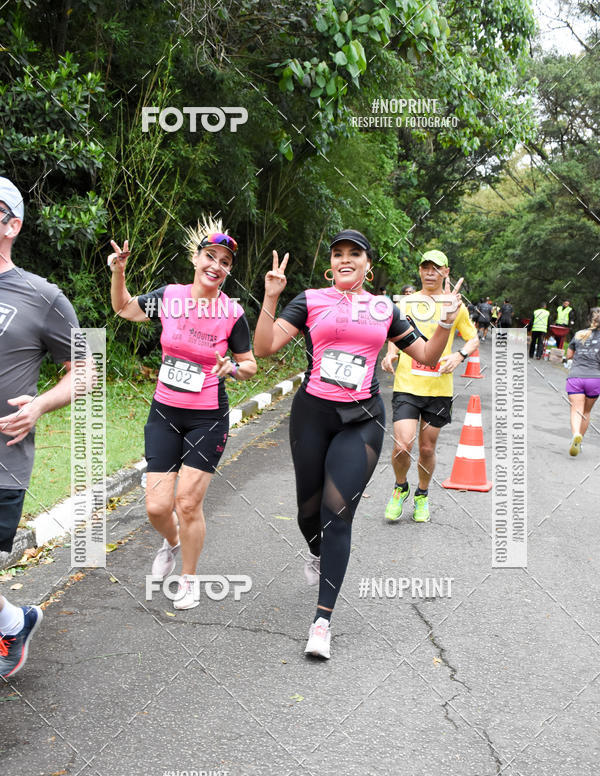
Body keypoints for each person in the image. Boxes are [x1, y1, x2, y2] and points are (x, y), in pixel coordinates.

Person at [254, 231, 463, 660]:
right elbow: (265, 346)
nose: (345, 259)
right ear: (330, 264)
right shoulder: (310, 300)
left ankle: (322, 622)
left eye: (355, 254)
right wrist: (271, 296)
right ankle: (317, 553)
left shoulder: (385, 308)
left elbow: (426, 356)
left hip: (362, 420)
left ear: (368, 265)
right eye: (338, 254)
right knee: (308, 512)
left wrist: (445, 323)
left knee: (337, 514)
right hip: (312, 416)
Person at [109, 217, 257, 610]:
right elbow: (123, 308)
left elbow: (250, 365)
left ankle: (188, 580)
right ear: (196, 258)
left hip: (207, 417)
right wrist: (119, 271)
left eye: (225, 262)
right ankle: (173, 542)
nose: (216, 265)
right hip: (165, 413)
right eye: (211, 256)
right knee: (157, 507)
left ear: (228, 271)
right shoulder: (170, 297)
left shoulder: (232, 313)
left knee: (187, 503)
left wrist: (233, 369)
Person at [0, 177, 83, 678]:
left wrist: (40, 406)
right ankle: (15, 620)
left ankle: (14, 622)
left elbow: (87, 368)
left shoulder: (41, 296)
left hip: (3, 456)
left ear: (12, 225)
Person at [381, 249, 478, 524]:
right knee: (403, 445)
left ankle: (422, 494)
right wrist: (391, 353)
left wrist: (459, 356)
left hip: (439, 388)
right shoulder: (407, 303)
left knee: (426, 448)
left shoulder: (455, 306)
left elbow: (472, 339)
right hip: (407, 385)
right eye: (425, 267)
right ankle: (400, 487)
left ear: (446, 272)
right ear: (419, 270)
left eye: (436, 268)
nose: (430, 272)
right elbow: (395, 334)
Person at [565, 308, 600, 456]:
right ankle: (580, 442)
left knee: (576, 410)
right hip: (595, 379)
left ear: (589, 319)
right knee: (586, 411)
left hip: (576, 377)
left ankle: (575, 435)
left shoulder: (579, 334)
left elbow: (569, 355)